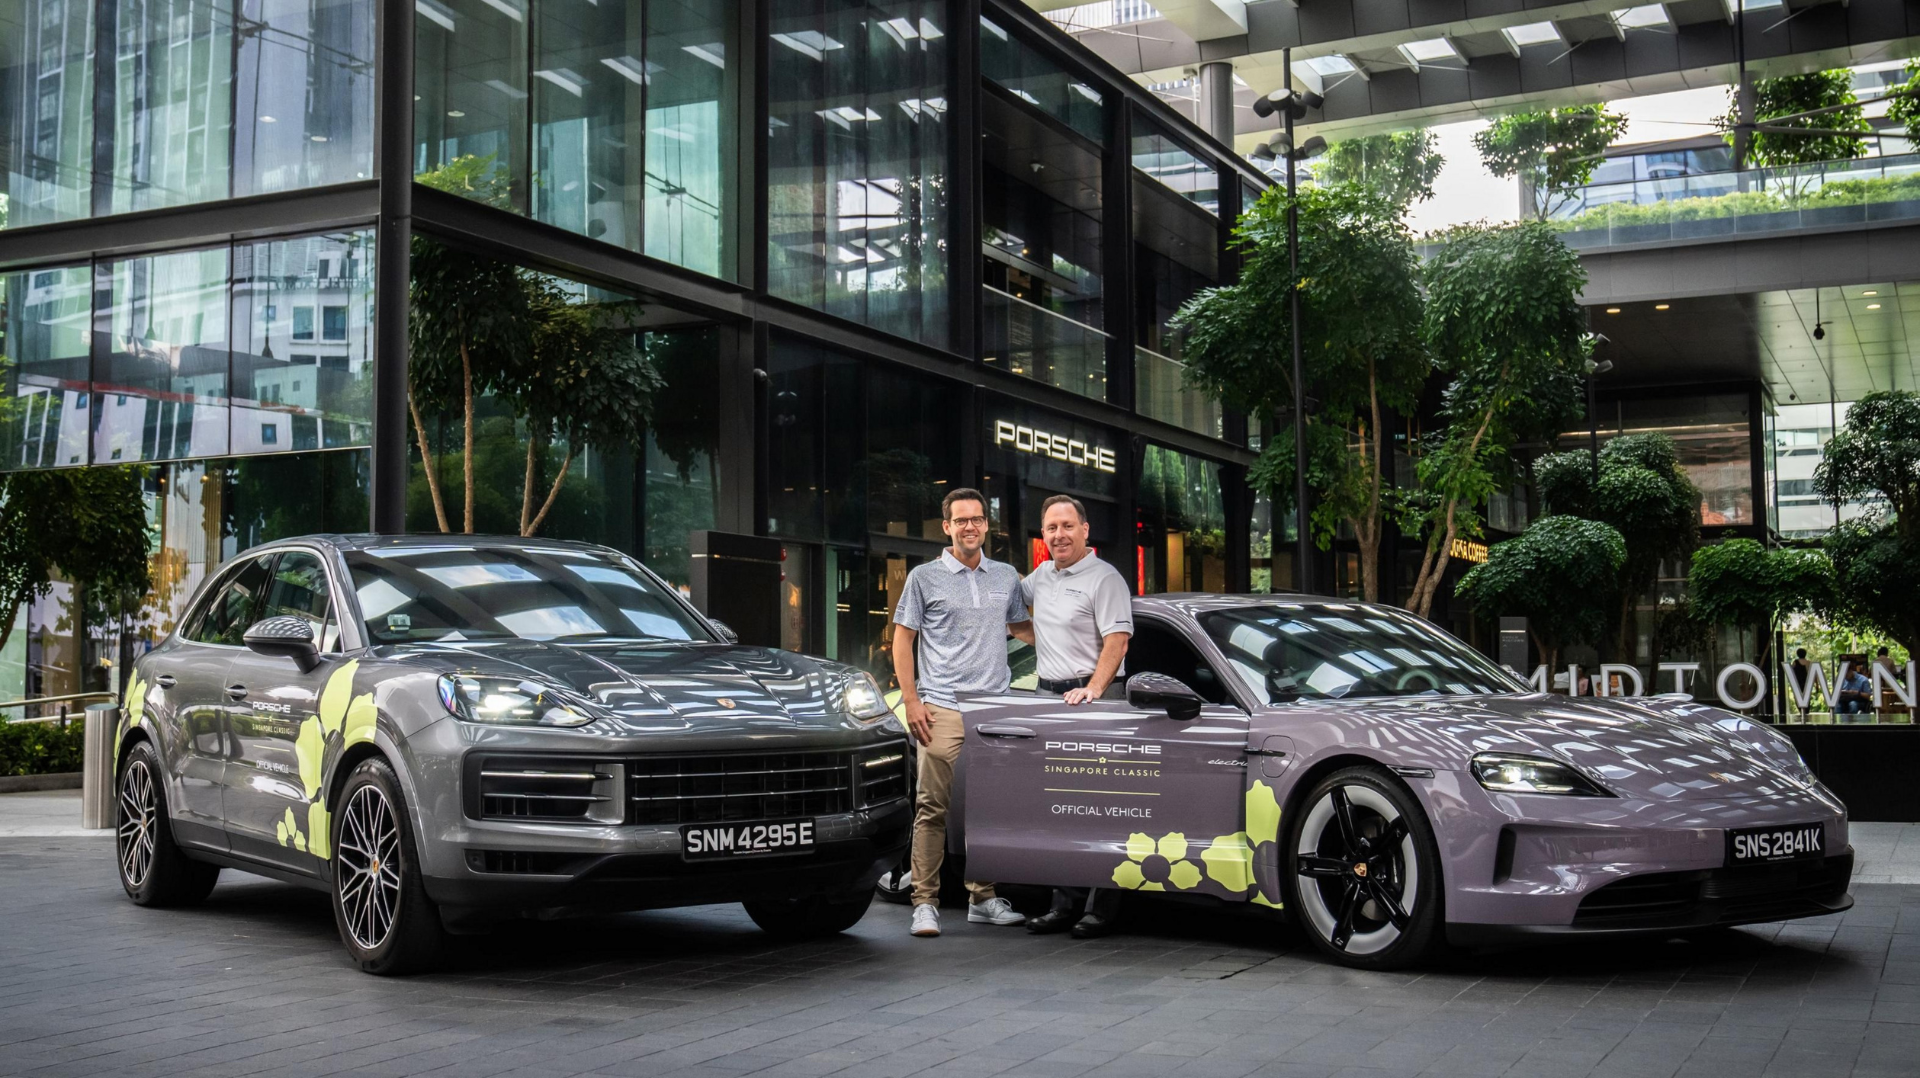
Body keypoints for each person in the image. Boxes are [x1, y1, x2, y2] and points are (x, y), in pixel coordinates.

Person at [891, 487, 1032, 939]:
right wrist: (912, 700)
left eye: (977, 519)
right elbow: (902, 639)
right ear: (947, 526)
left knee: (987, 809)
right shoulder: (924, 577)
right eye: (961, 520)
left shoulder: (1006, 576)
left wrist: (1081, 639)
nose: (970, 526)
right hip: (942, 706)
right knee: (932, 808)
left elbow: (1019, 627)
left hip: (994, 708)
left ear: (987, 525)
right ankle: (925, 903)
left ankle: (983, 897)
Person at [1019, 494, 1133, 940]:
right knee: (1060, 807)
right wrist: (1044, 643)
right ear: (1042, 535)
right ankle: (1062, 905)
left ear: (1085, 530)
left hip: (1098, 700)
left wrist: (1093, 689)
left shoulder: (1105, 579)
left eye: (1068, 526)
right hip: (1051, 699)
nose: (1059, 535)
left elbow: (1118, 641)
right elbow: (1010, 616)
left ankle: (1101, 908)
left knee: (1102, 807)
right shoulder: (1041, 576)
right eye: (1051, 528)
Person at [1790, 649, 1812, 719]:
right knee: (1807, 697)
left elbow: (1791, 671)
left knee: (1798, 697)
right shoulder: (1809, 662)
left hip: (1798, 683)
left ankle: (1801, 711)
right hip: (1807, 682)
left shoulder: (1795, 662)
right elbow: (1813, 674)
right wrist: (1816, 684)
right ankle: (1806, 711)